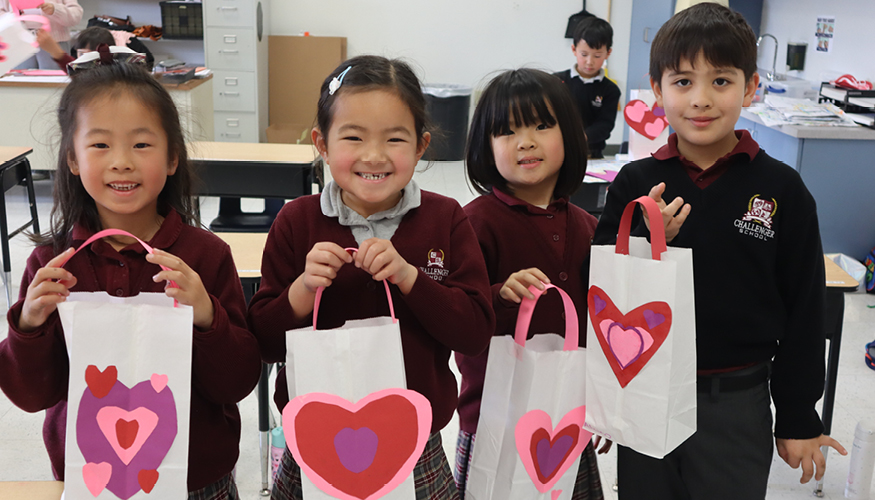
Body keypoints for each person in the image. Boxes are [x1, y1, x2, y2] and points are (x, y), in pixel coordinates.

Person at [591, 4, 847, 499]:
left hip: (736, 398)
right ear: (658, 87)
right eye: (683, 81)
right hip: (645, 391)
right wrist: (647, 242)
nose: (701, 99)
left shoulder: (781, 188)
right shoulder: (637, 182)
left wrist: (796, 414)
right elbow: (602, 288)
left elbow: (804, 308)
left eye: (722, 81)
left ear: (751, 87)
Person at [0, 61, 261, 499]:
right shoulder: (54, 264)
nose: (122, 162)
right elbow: (31, 395)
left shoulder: (206, 257)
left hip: (197, 478)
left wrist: (206, 316)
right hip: (93, 478)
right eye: (100, 144)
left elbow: (236, 383)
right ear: (72, 158)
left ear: (173, 156)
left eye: (142, 144)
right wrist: (29, 325)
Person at [247, 55, 495, 500]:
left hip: (417, 447)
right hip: (316, 443)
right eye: (353, 137)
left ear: (421, 146)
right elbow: (263, 342)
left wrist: (411, 278)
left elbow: (475, 332)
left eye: (395, 139)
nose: (374, 155)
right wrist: (302, 290)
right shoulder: (296, 221)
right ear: (321, 144)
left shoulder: (446, 219)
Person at [453, 68, 606, 499]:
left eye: (542, 125)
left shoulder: (589, 228)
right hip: (493, 420)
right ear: (486, 146)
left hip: (566, 418)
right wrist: (497, 294)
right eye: (507, 131)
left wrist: (602, 406)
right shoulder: (473, 224)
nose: (526, 141)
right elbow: (456, 316)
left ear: (570, 135)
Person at [554, 16, 621, 159]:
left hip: (592, 154)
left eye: (597, 56)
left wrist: (581, 137)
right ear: (574, 49)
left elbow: (605, 124)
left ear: (608, 53)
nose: (589, 62)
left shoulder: (610, 90)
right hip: (558, 152)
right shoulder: (556, 81)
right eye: (584, 54)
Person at [0, 0, 82, 69]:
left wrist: (55, 9)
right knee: (18, 82)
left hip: (54, 42)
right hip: (20, 42)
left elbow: (76, 16)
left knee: (55, 82)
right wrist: (11, 16)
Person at [36, 26, 155, 73]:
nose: (84, 59)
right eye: (81, 54)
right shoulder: (81, 70)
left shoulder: (114, 74)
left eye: (91, 55)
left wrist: (56, 52)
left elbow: (75, 72)